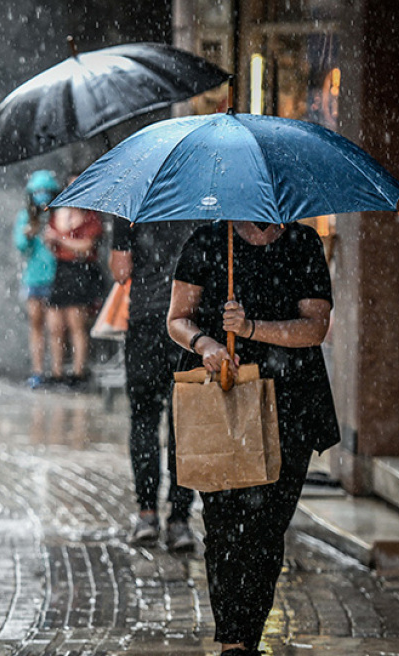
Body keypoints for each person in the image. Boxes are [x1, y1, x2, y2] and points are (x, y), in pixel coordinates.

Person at [166, 220, 339, 656]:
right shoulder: (207, 242)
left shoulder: (302, 243)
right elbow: (178, 319)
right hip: (225, 403)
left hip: (291, 408)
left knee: (265, 532)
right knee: (224, 529)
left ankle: (248, 636)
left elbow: (314, 327)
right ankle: (232, 643)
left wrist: (250, 328)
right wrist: (206, 344)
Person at [109, 217, 198, 550]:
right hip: (189, 326)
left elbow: (120, 272)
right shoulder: (201, 198)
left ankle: (147, 514)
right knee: (183, 424)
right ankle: (180, 520)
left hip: (146, 322)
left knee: (144, 418)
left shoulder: (132, 206)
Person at [42, 182, 103, 388]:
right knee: (55, 325)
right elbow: (55, 244)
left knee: (77, 324)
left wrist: (61, 239)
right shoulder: (59, 215)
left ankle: (78, 372)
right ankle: (57, 372)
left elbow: (86, 247)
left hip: (81, 272)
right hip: (62, 270)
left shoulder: (90, 217)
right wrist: (56, 240)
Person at [12, 170, 60, 388]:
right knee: (36, 325)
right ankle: (38, 370)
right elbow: (20, 245)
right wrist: (28, 235)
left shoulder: (57, 216)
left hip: (55, 277)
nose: (42, 195)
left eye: (46, 191)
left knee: (55, 328)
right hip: (34, 278)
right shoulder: (25, 216)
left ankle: (57, 371)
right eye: (38, 191)